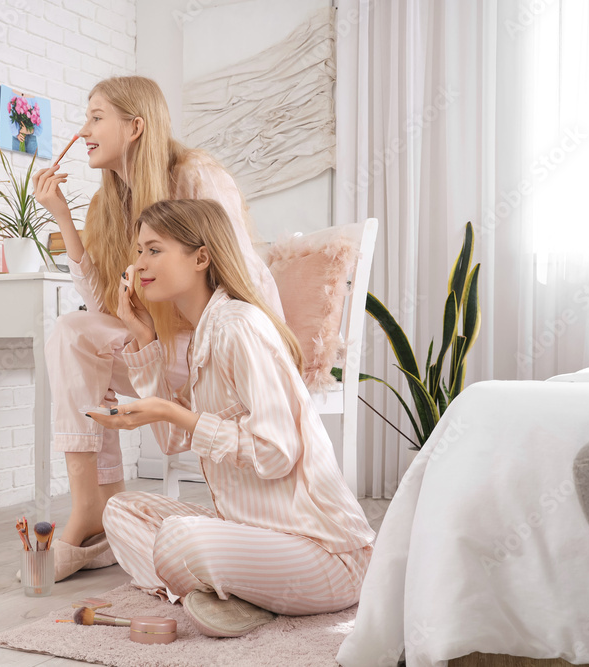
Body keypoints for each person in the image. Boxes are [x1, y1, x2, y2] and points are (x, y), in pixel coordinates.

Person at [32, 76, 283, 581]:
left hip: (215, 349)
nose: (83, 131)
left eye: (96, 116)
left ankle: (100, 524)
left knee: (82, 340)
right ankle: (90, 510)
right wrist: (62, 216)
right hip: (159, 349)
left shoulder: (195, 177)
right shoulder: (107, 204)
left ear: (135, 126)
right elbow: (106, 305)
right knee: (72, 332)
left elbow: (242, 279)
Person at [87, 199, 375, 637]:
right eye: (139, 250)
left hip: (325, 555)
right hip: (254, 533)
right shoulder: (203, 332)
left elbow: (278, 453)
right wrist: (143, 335)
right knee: (122, 510)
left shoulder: (238, 327)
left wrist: (170, 410)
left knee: (181, 539)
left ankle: (211, 589)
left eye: (153, 250)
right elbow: (171, 439)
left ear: (200, 257)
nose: (138, 263)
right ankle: (218, 593)